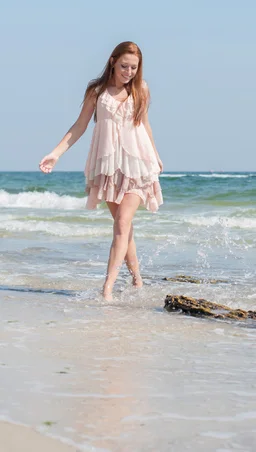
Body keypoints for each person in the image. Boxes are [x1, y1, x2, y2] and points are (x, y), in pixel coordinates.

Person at [39, 41, 163, 301]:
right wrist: (55, 153)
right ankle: (137, 280)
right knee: (123, 226)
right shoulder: (97, 91)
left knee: (122, 222)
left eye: (134, 67)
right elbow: (80, 125)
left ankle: (107, 288)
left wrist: (156, 156)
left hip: (138, 164)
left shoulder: (142, 89)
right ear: (112, 61)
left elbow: (145, 125)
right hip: (107, 166)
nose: (128, 72)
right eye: (124, 66)